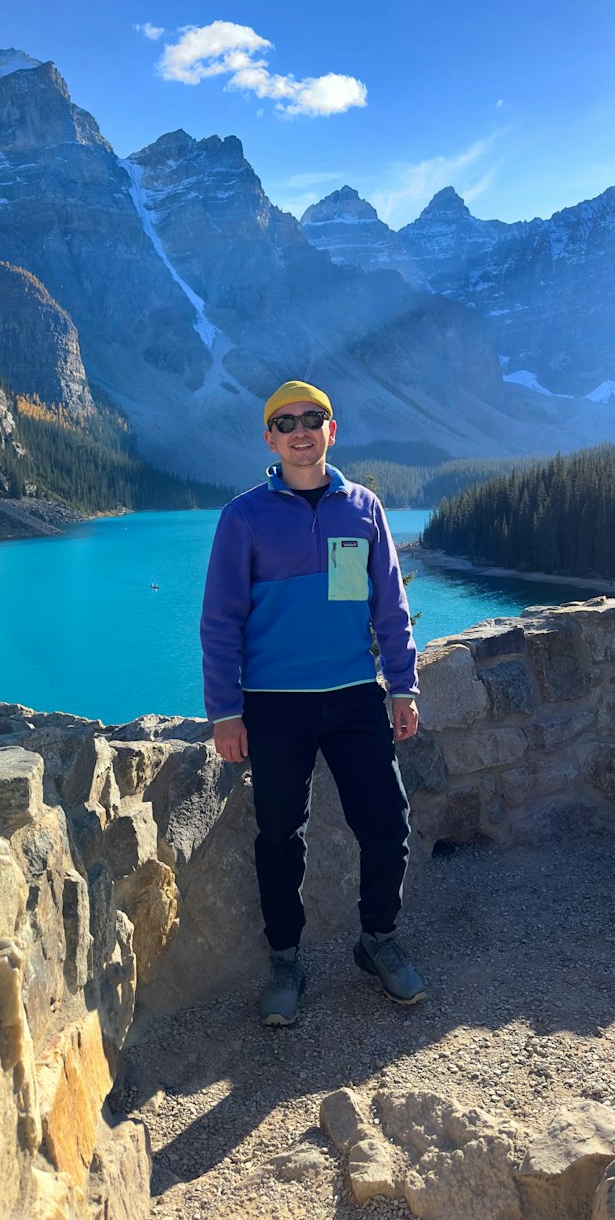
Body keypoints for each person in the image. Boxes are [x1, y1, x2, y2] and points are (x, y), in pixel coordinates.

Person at [200, 378, 425, 1025]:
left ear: (333, 429)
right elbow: (221, 619)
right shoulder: (244, 516)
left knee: (387, 824)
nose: (300, 430)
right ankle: (285, 960)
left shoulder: (363, 508)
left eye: (313, 418)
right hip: (274, 703)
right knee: (279, 837)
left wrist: (402, 686)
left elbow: (388, 604)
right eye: (286, 421)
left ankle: (377, 939)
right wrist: (226, 709)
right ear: (270, 437)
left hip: (356, 695)